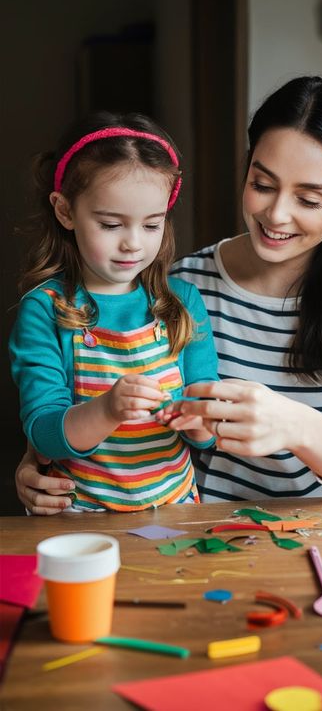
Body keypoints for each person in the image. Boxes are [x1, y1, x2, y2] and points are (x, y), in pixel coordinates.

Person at [15, 76, 322, 512]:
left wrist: (295, 426)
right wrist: (39, 462)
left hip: (318, 530)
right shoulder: (185, 286)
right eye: (262, 184)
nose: (277, 213)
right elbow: (72, 425)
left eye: (309, 199)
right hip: (195, 533)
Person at [9, 112, 219, 512]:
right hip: (81, 517)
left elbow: (206, 427)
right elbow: (43, 433)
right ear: (66, 211)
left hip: (176, 509)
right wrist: (107, 409)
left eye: (152, 224)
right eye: (110, 225)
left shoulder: (184, 302)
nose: (133, 244)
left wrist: (199, 418)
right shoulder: (45, 310)